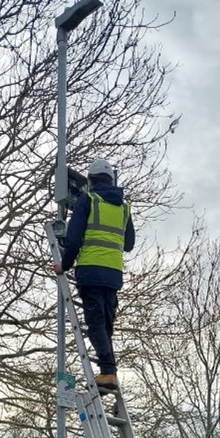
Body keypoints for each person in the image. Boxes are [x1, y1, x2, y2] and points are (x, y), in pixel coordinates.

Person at [53, 157, 135, 390]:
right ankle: (108, 372)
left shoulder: (88, 200)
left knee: (96, 322)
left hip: (90, 270)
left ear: (90, 181)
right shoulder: (124, 208)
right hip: (113, 274)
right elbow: (128, 244)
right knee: (106, 323)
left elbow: (74, 239)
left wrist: (64, 266)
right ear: (111, 180)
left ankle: (108, 371)